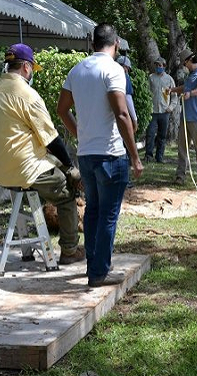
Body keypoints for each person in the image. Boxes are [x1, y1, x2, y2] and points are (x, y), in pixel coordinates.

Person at [0, 43, 84, 265]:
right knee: (66, 191)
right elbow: (52, 139)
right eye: (32, 69)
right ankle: (69, 250)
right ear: (26, 67)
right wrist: (71, 168)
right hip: (24, 169)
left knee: (54, 164)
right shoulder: (27, 95)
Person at [57, 23, 143, 288]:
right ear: (115, 43)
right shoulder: (113, 70)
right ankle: (99, 273)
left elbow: (62, 110)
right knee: (107, 215)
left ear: (94, 42)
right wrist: (135, 156)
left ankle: (94, 265)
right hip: (110, 154)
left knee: (93, 211)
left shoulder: (77, 69)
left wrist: (81, 134)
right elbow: (121, 114)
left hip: (86, 155)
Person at [170, 48, 197, 186]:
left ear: (189, 60)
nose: (184, 66)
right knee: (182, 148)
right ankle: (180, 176)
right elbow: (184, 88)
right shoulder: (190, 76)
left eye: (184, 63)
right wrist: (172, 90)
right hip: (185, 117)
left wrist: (190, 94)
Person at [146, 56, 176, 163]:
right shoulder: (151, 78)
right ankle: (148, 156)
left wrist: (171, 107)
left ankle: (159, 157)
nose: (158, 67)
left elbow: (174, 96)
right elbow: (147, 93)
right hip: (153, 111)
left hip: (164, 112)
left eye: (160, 65)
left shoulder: (169, 79)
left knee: (162, 136)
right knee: (150, 133)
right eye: (157, 65)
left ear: (164, 66)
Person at [116, 55, 138, 135]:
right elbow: (128, 99)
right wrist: (135, 120)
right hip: (120, 115)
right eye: (127, 68)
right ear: (124, 66)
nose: (127, 71)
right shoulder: (124, 77)